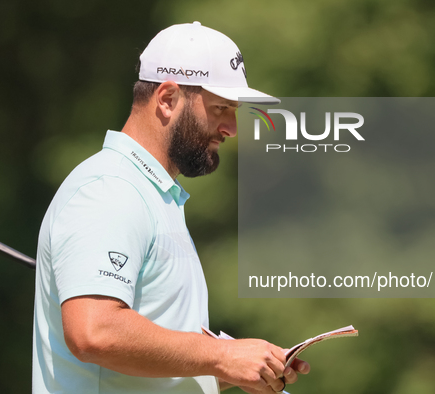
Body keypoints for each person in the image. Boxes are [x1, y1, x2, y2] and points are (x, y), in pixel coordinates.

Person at [32, 21, 309, 394]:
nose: (231, 128)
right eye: (220, 108)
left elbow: (156, 361)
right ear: (167, 99)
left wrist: (238, 364)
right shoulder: (110, 190)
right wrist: (220, 356)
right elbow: (92, 331)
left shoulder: (155, 195)